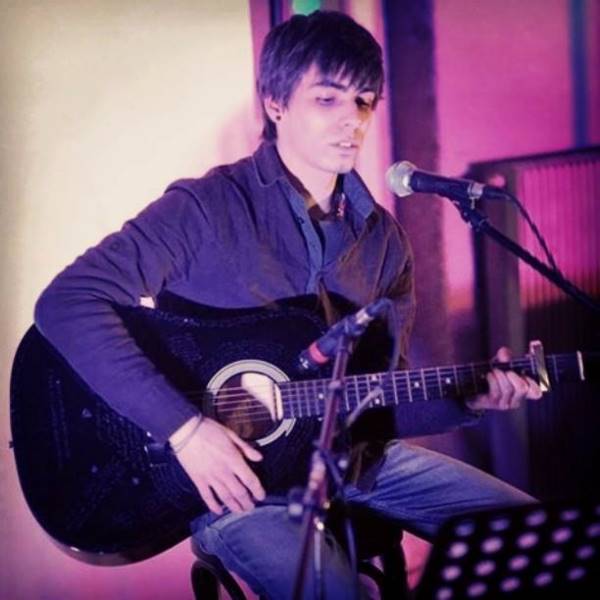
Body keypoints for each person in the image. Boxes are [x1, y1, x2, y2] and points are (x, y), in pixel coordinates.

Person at [34, 10, 542, 599]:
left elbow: (375, 403)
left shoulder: (384, 243)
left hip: (356, 465)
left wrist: (468, 399)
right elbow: (67, 302)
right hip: (242, 490)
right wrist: (186, 431)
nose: (352, 120)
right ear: (275, 104)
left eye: (364, 101)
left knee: (539, 541)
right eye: (327, 99)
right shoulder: (205, 208)